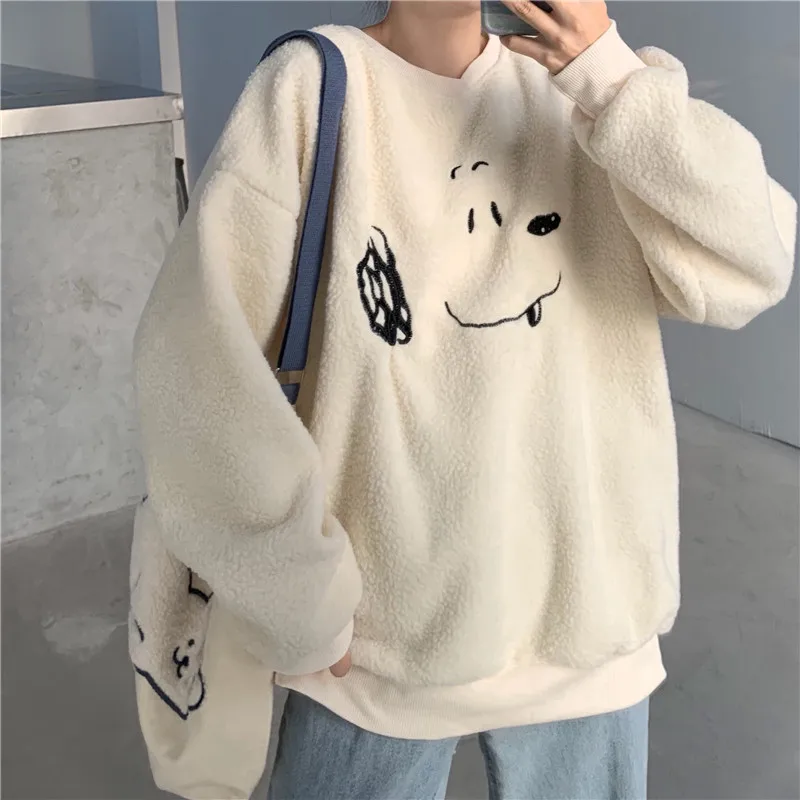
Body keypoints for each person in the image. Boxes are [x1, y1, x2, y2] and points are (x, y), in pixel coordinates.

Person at [133, 0, 797, 797]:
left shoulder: (590, 91)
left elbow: (754, 264)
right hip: (378, 651)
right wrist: (300, 595)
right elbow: (201, 364)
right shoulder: (311, 89)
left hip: (587, 646)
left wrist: (612, 79)